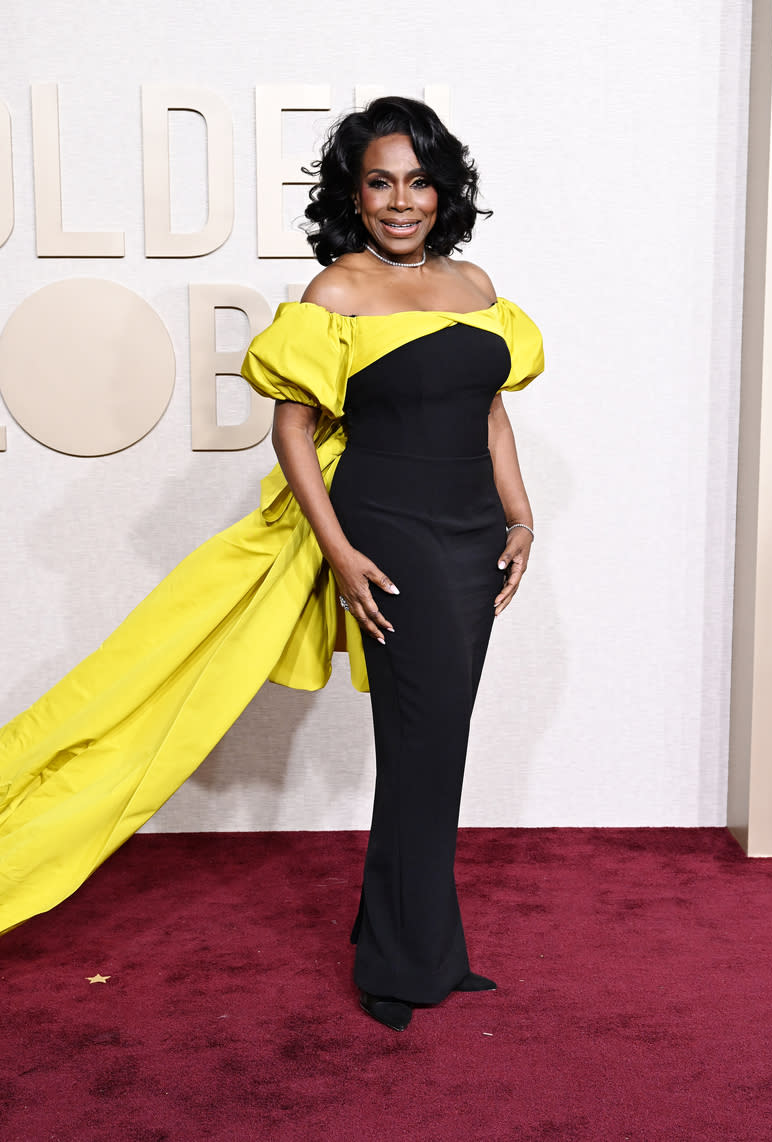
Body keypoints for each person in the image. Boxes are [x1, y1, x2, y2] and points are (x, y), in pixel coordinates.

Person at [0, 96, 543, 1033]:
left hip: (470, 532)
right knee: (419, 747)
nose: (401, 201)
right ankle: (395, 965)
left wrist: (521, 512)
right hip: (390, 529)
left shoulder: (476, 282)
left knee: (439, 745)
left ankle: (424, 946)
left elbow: (490, 411)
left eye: (418, 181)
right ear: (354, 193)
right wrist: (337, 549)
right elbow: (291, 428)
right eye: (381, 182)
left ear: (443, 187)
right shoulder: (334, 292)